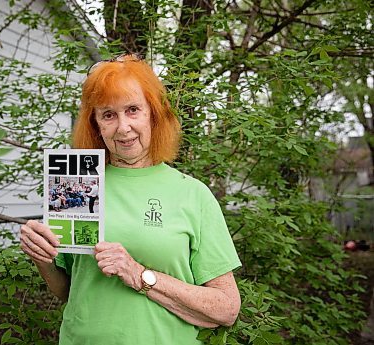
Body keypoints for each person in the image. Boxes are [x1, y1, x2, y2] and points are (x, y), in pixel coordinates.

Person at [20, 54, 242, 345]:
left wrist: (139, 274)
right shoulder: (79, 184)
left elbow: (226, 309)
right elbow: (67, 289)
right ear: (96, 124)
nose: (123, 127)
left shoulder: (192, 193)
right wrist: (42, 257)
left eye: (133, 110)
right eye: (108, 115)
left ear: (153, 113)